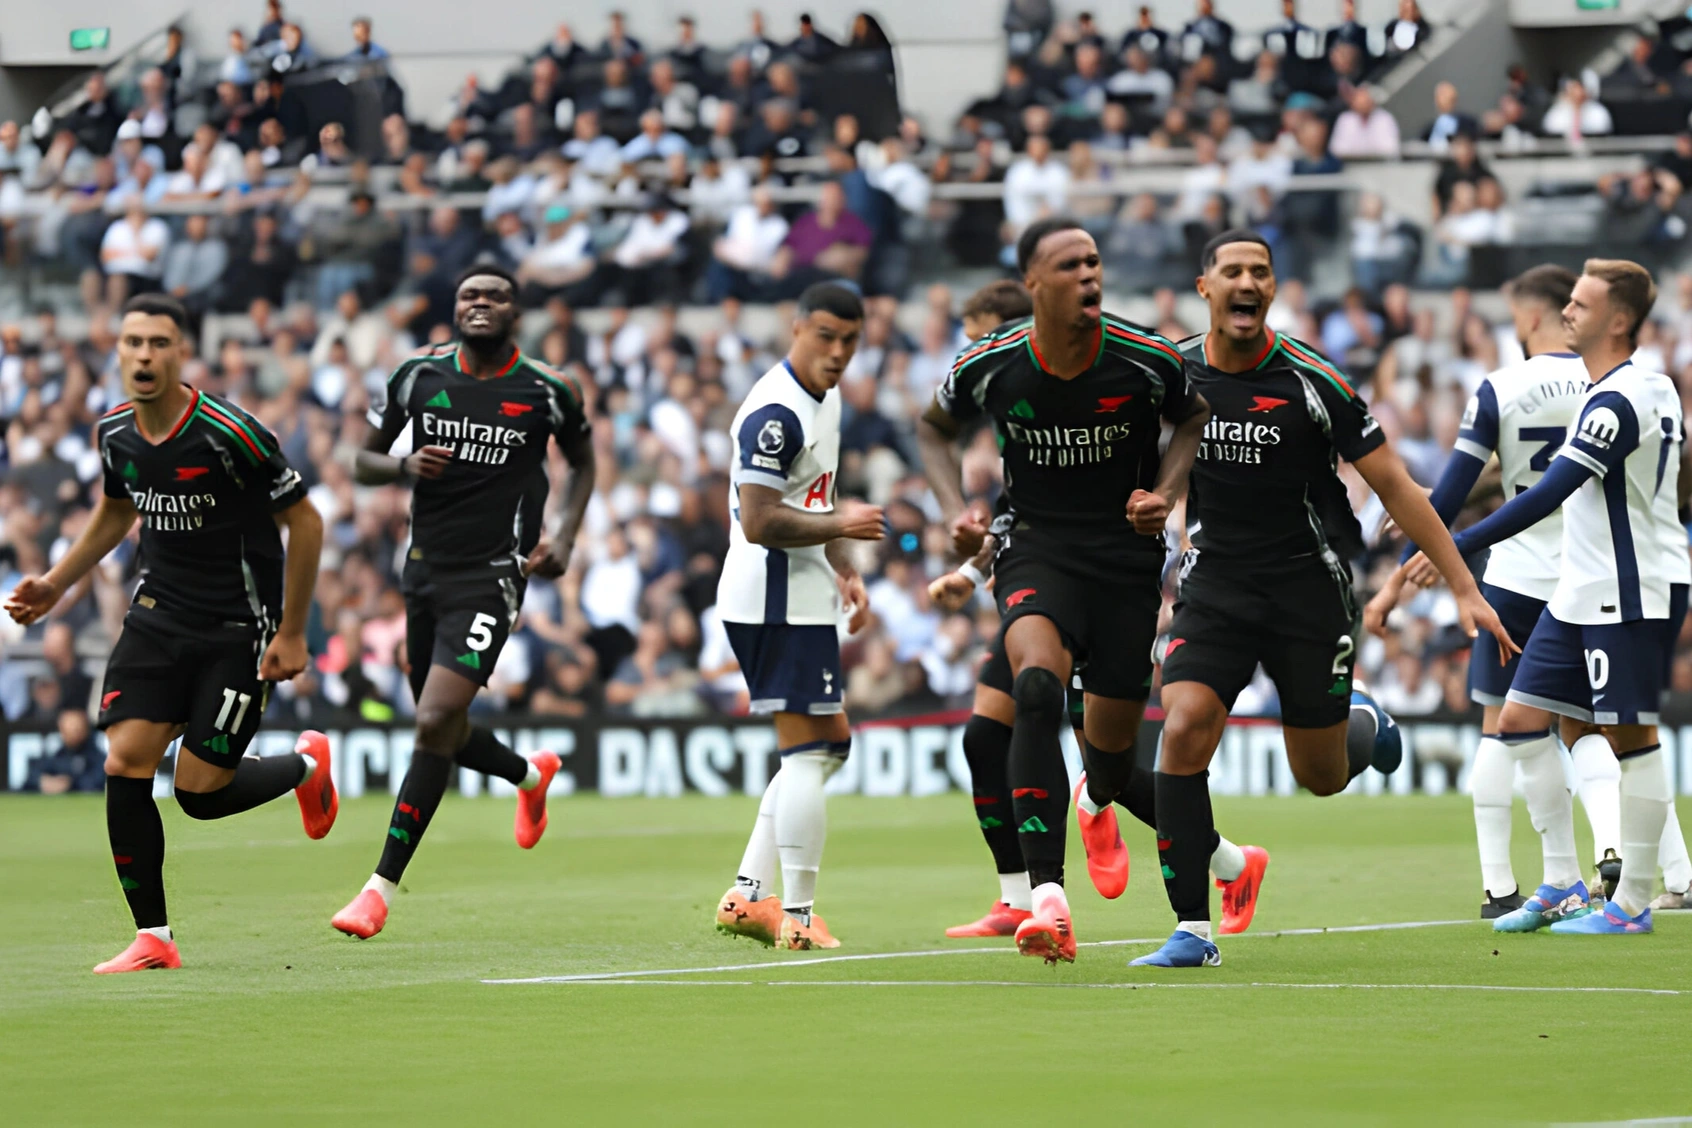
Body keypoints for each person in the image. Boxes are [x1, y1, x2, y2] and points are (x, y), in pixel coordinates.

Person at [1134, 231, 1516, 968]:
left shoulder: (1315, 381)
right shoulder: (1170, 373)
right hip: (1214, 583)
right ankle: (1193, 930)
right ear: (1205, 287)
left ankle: (1361, 718)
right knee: (1182, 729)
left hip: (1308, 590)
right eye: (1233, 271)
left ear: (1271, 290)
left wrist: (1464, 587)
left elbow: (1399, 486)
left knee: (1321, 776)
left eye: (1262, 272)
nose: (1248, 282)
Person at [3, 294, 334, 974]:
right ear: (118, 351)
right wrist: (57, 583)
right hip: (158, 613)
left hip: (239, 625)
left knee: (198, 797)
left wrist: (294, 632)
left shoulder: (230, 433)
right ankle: (153, 935)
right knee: (124, 761)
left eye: (159, 342)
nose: (145, 355)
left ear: (182, 353)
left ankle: (307, 766)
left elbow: (307, 523)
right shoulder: (115, 433)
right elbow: (114, 512)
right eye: (133, 342)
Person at [916, 217, 1212, 964]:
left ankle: (1223, 857)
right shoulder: (991, 363)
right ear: (1035, 285)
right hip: (1035, 551)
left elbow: (1194, 416)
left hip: (1124, 564)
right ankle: (1045, 897)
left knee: (1109, 766)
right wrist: (957, 507)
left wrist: (1168, 491)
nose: (1089, 275)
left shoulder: (1146, 356)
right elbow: (932, 427)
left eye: (1095, 262)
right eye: (1070, 265)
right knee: (1038, 689)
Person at [1400, 260, 1690, 936]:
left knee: (1631, 737)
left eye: (1582, 306)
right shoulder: (1632, 389)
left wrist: (1454, 544)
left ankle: (1633, 902)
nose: (1568, 314)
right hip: (1576, 589)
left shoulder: (1621, 401)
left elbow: (1546, 494)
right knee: (1520, 721)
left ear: (1618, 322)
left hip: (1627, 588)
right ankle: (1562, 879)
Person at [330, 266, 596, 940]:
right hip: (422, 572)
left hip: (492, 575)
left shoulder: (547, 388)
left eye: (494, 296)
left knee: (435, 717)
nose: (480, 304)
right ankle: (526, 774)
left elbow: (584, 459)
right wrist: (402, 467)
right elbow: (361, 460)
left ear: (517, 311)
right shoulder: (417, 377)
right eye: (469, 297)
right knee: (438, 723)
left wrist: (562, 534)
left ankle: (377, 889)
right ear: (455, 310)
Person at [1365, 266, 1609, 917]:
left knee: (1497, 730)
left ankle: (1500, 886)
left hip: (1511, 578)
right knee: (1600, 732)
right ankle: (1621, 870)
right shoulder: (1608, 386)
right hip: (1592, 574)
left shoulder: (1501, 387)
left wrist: (1403, 568)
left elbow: (1448, 495)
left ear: (1531, 317)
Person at [713, 283, 883, 952]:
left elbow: (818, 494)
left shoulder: (826, 398)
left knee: (828, 745)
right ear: (796, 329)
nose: (838, 352)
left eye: (850, 340)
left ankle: (748, 895)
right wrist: (840, 523)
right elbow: (759, 520)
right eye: (825, 337)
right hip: (771, 598)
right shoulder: (776, 413)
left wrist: (843, 563)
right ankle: (801, 917)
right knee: (810, 752)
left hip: (805, 591)